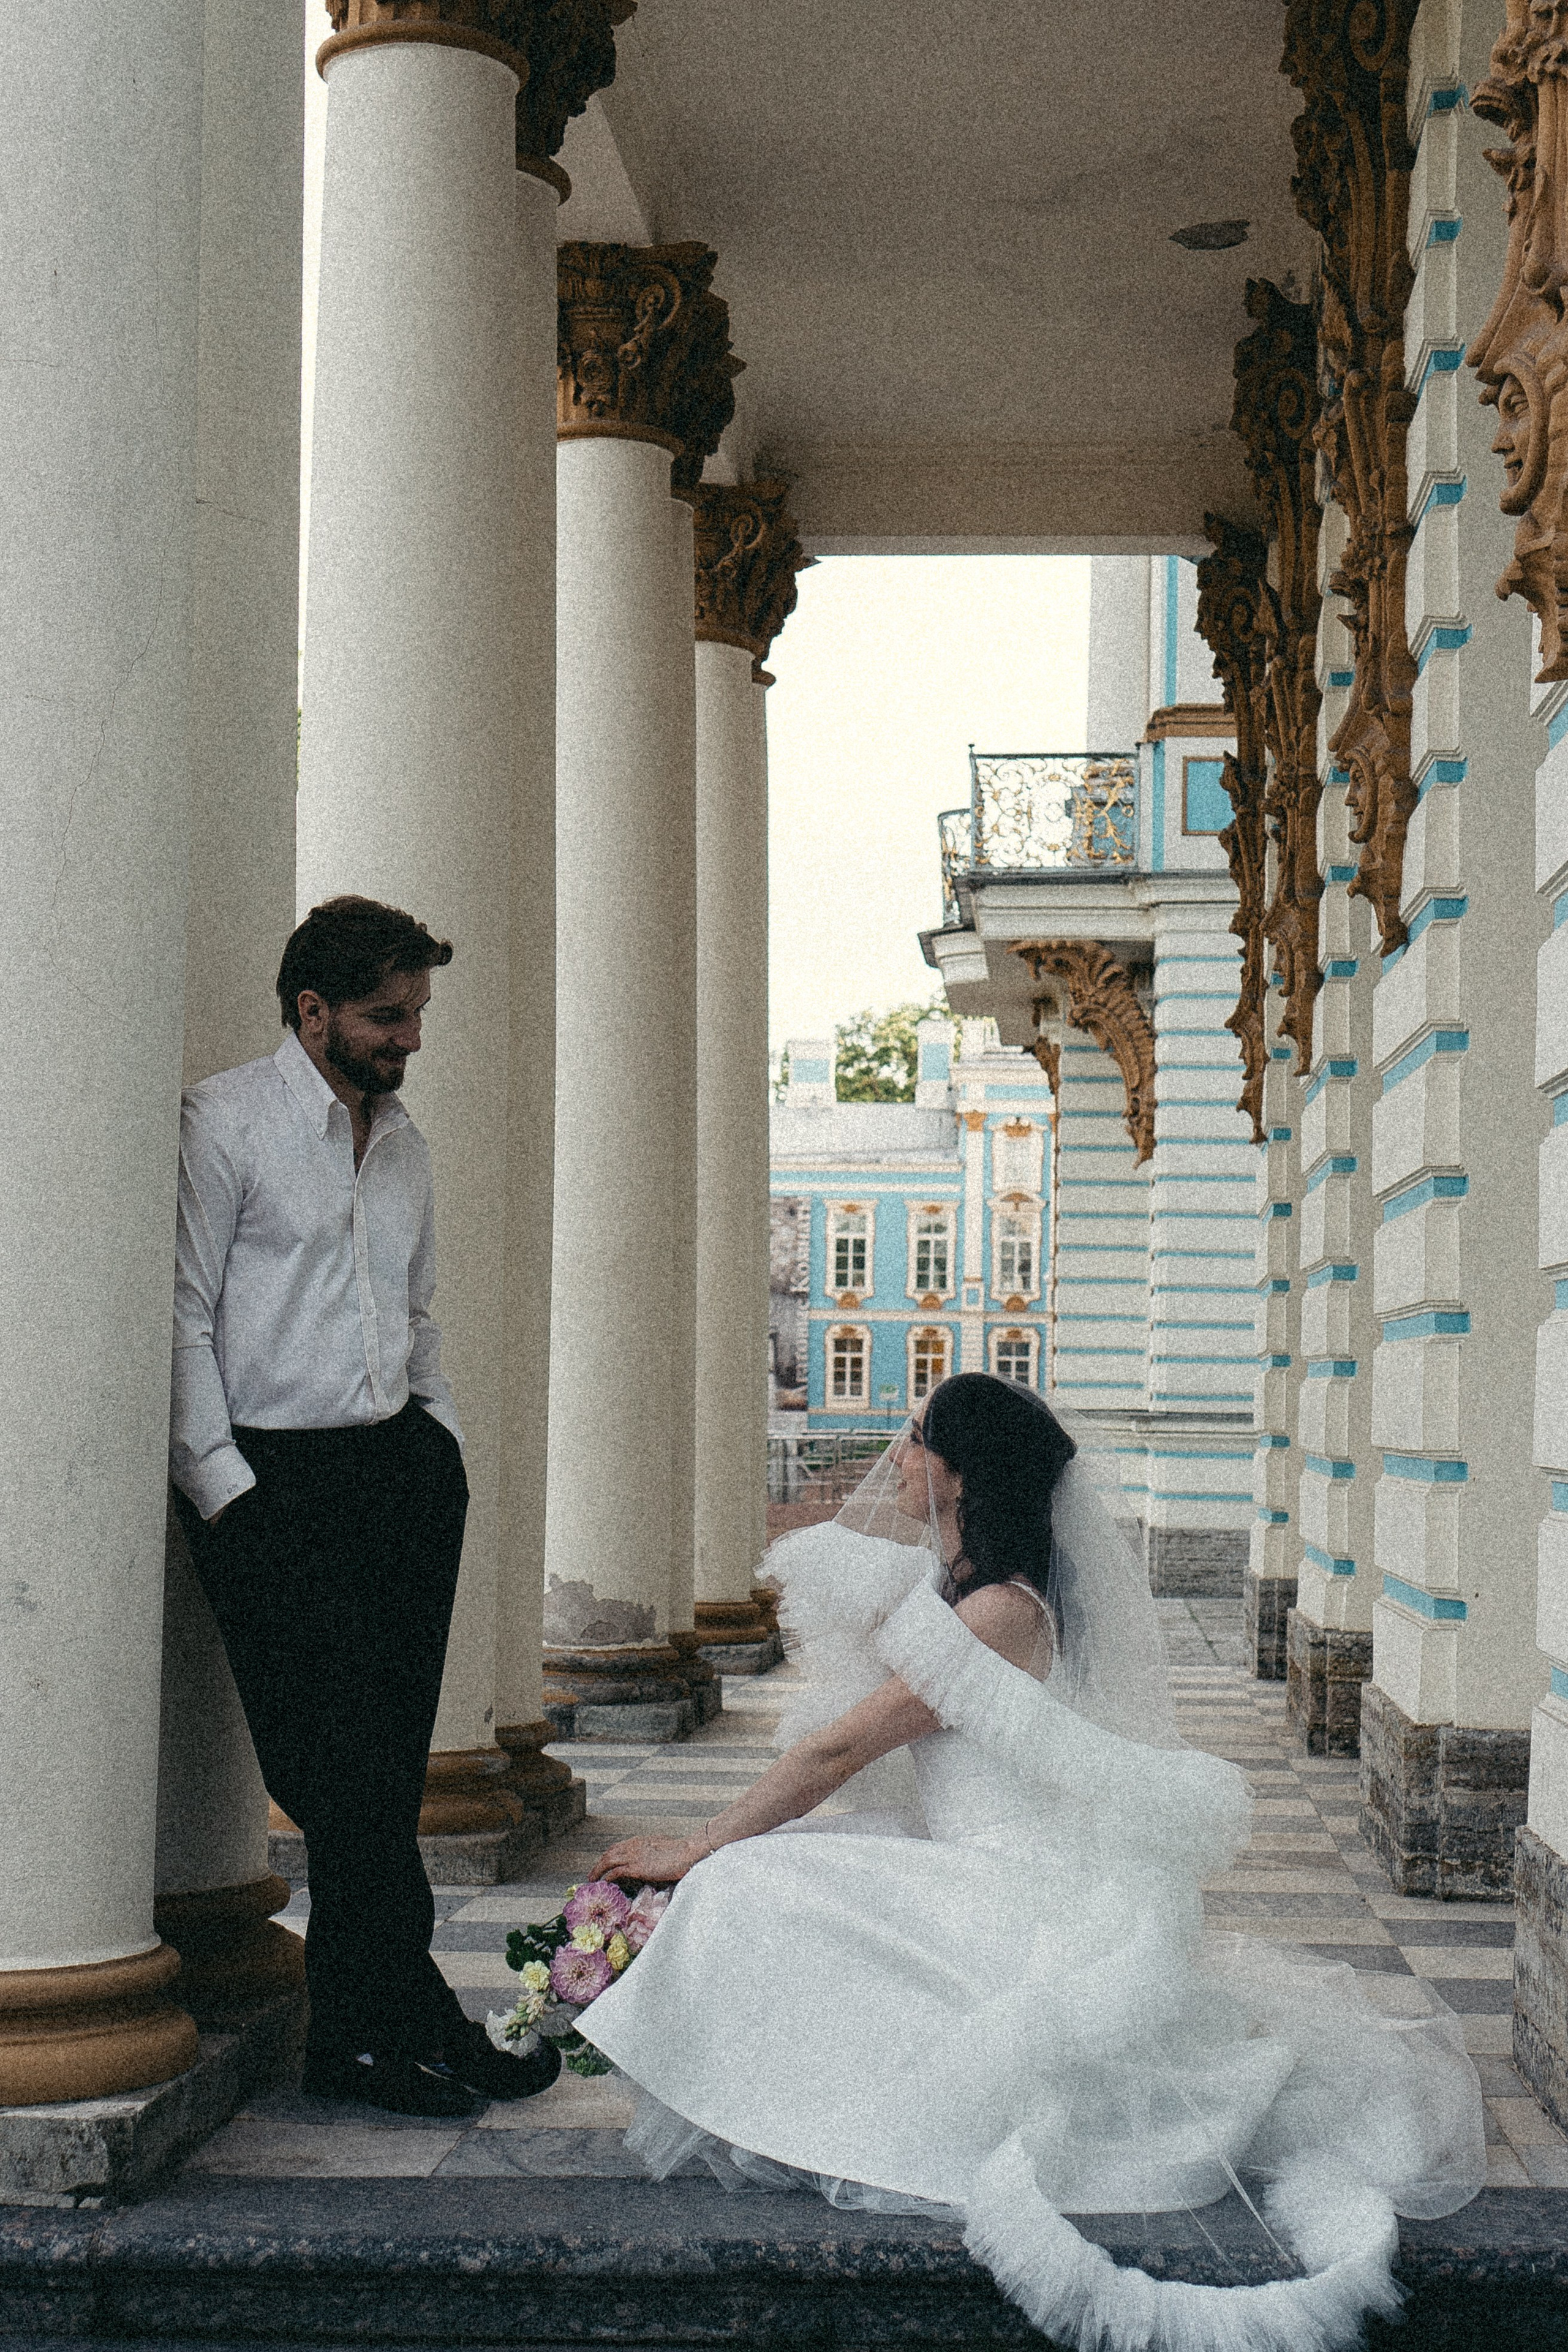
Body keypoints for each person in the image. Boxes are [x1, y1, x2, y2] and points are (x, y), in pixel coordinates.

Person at [579, 1373, 1485, 2352]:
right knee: (784, 1874)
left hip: (1010, 1881)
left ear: (965, 1476)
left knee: (741, 1880)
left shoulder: (997, 1616)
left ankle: (803, 2102)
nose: (898, 1456)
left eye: (920, 1438)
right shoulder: (955, 1594)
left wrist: (696, 1842)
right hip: (967, 1859)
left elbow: (837, 1753)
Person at [169, 894, 558, 2118]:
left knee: (383, 1781)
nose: (412, 1039)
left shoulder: (406, 1146)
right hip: (270, 1488)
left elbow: (418, 1308)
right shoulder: (222, 1125)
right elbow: (178, 1316)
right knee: (337, 1780)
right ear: (313, 1010)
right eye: (390, 1016)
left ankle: (372, 2032)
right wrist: (225, 1490)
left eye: (417, 1013)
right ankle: (401, 2022)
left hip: (395, 1475)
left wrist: (435, 1438)